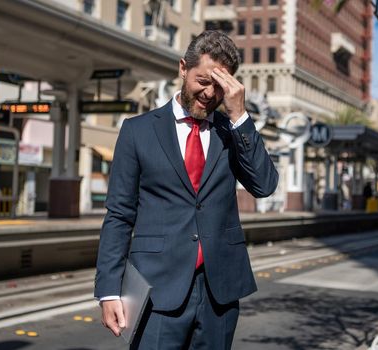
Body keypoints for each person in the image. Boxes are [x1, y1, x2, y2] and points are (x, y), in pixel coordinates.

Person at [94, 30, 279, 349]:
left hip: (219, 294)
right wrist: (109, 290)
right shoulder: (137, 131)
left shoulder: (231, 130)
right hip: (156, 291)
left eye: (220, 86)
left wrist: (239, 115)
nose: (209, 93)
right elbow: (119, 215)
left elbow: (264, 185)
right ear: (183, 68)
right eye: (203, 80)